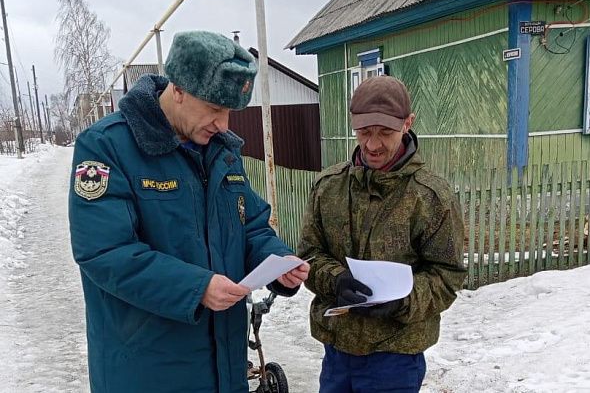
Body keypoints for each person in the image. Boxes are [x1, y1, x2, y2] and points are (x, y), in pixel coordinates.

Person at [69, 30, 309, 393]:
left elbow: (251, 226)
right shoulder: (106, 147)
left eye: (229, 111)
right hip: (147, 369)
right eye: (214, 108)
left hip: (223, 368)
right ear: (178, 90)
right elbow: (104, 252)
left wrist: (278, 261)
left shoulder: (222, 152)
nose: (224, 124)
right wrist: (197, 288)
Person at [297, 76, 466, 392]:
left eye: (385, 132)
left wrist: (404, 301)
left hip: (396, 355)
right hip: (337, 350)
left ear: (407, 123)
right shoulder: (328, 187)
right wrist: (336, 280)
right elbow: (309, 254)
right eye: (364, 132)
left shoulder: (431, 197)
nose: (373, 144)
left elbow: (448, 276)